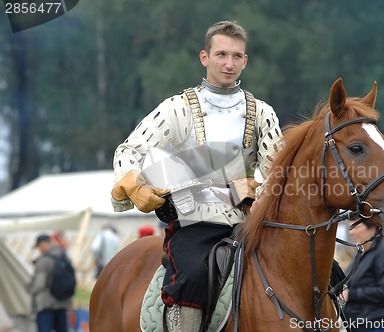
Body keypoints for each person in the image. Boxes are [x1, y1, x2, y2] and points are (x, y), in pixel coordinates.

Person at [110, 20, 282, 332]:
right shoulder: (177, 109)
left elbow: (277, 172)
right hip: (194, 221)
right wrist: (135, 185)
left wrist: (262, 194)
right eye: (221, 55)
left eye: (236, 56)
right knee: (191, 275)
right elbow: (128, 151)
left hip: (248, 221)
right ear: (205, 57)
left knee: (327, 272)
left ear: (246, 61)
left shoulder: (263, 113)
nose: (229, 63)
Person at [342, 220, 384, 332]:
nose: (351, 233)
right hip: (357, 324)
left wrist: (351, 294)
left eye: (356, 227)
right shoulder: (360, 253)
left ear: (372, 228)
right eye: (350, 228)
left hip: (375, 324)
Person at [27, 234, 72, 332]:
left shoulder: (44, 260)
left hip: (46, 304)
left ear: (43, 244)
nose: (38, 249)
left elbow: (39, 284)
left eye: (38, 246)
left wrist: (29, 287)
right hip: (62, 302)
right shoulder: (63, 256)